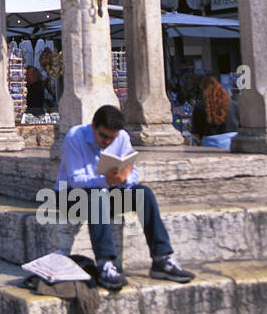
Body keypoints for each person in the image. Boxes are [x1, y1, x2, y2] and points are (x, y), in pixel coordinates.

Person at [56, 104, 194, 291]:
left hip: (106, 191)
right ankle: (105, 263)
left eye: (111, 138)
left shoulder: (121, 138)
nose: (107, 142)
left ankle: (161, 259)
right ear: (93, 126)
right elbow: (76, 180)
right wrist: (107, 181)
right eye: (103, 136)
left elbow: (133, 172)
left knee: (143, 193)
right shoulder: (75, 137)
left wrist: (125, 179)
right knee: (96, 197)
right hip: (70, 196)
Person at [192, 75, 239, 149]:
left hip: (210, 145)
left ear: (204, 90)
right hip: (232, 143)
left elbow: (196, 133)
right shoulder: (234, 105)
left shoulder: (199, 107)